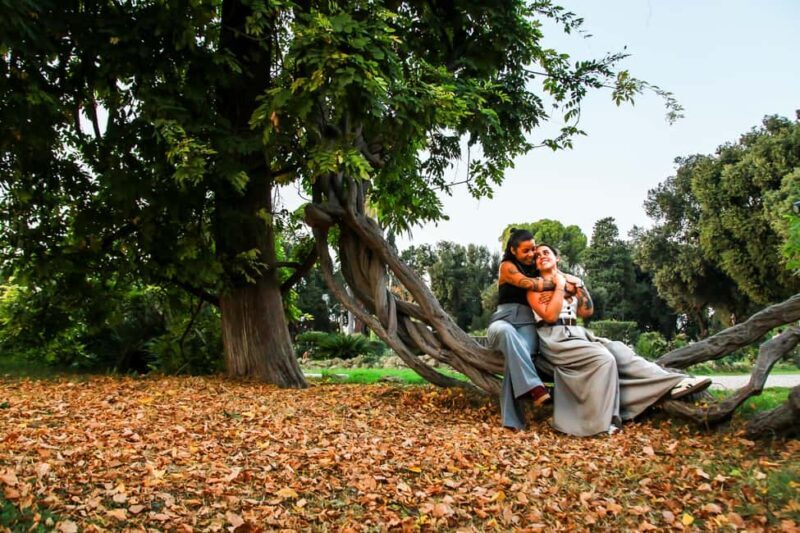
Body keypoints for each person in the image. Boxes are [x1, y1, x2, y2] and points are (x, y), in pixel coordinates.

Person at [527, 243, 711, 436]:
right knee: (604, 358)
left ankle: (674, 383)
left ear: (558, 258)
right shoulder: (534, 286)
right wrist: (560, 287)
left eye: (546, 252)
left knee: (621, 352)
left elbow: (586, 311)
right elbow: (549, 316)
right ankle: (607, 422)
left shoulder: (571, 281)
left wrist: (580, 285)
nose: (541, 256)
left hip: (577, 332)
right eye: (537, 256)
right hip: (554, 338)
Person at [487, 229, 573, 429]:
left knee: (518, 356)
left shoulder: (536, 268)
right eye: (526, 250)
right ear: (513, 250)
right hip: (503, 320)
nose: (531, 254)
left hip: (527, 323)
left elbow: (566, 285)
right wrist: (554, 285)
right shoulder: (507, 266)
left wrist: (553, 286)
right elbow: (525, 283)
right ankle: (535, 388)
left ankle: (512, 422)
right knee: (507, 334)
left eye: (533, 249)